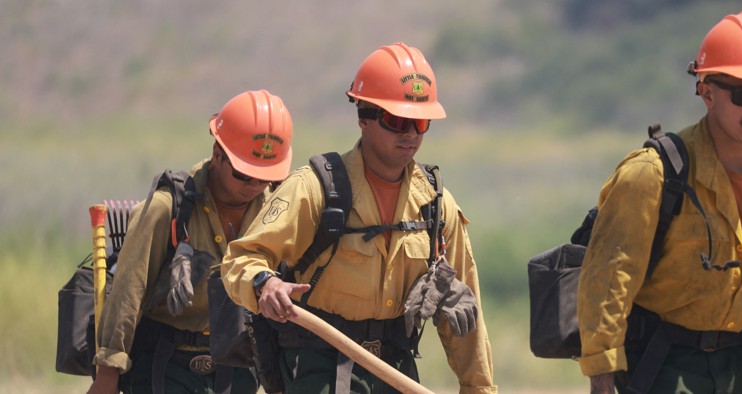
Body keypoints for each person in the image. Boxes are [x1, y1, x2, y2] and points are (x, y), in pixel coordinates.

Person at [221, 42, 497, 394]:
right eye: (397, 120)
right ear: (364, 117)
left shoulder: (436, 205)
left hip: (396, 370)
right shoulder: (315, 189)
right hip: (320, 368)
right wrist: (265, 284)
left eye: (420, 121)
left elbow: (467, 310)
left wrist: (479, 388)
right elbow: (241, 257)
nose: (410, 133)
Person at [577, 11, 742, 394]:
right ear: (707, 92)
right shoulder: (654, 175)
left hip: (741, 367)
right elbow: (608, 285)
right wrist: (602, 380)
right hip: (656, 367)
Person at [87, 89, 294, 394]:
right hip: (163, 364)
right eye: (244, 174)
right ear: (217, 154)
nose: (254, 186)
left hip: (237, 366)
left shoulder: (277, 213)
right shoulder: (165, 209)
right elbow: (128, 291)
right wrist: (108, 372)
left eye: (264, 177)